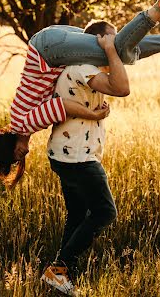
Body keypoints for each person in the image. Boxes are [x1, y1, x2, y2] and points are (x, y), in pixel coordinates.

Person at [0, 0, 160, 187]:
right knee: (123, 49)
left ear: (10, 145)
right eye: (18, 158)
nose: (23, 153)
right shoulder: (20, 119)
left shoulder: (25, 124)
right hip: (48, 43)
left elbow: (61, 105)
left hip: (48, 50)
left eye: (15, 154)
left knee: (117, 49)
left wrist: (92, 114)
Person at [41, 33, 128, 296]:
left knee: (78, 215)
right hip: (78, 158)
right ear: (97, 44)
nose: (118, 43)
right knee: (105, 212)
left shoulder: (72, 69)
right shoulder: (84, 68)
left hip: (64, 154)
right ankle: (59, 270)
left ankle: (64, 277)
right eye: (114, 38)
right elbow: (122, 88)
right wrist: (111, 50)